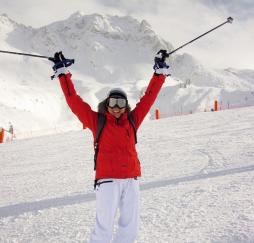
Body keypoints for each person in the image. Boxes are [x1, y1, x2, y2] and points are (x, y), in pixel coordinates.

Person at [50, 50, 170, 243]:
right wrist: (63, 74)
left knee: (129, 227)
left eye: (121, 102)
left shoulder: (132, 120)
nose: (116, 106)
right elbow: (74, 102)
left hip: (131, 180)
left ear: (126, 105)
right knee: (104, 227)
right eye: (112, 102)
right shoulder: (97, 121)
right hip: (107, 181)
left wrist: (159, 74)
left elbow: (148, 98)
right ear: (106, 104)